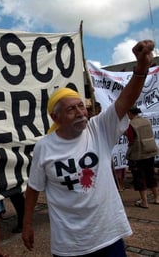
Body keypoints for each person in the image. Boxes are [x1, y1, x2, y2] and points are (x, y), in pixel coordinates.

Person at [22, 40, 155, 257]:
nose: (80, 112)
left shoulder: (98, 128)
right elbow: (34, 188)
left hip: (108, 236)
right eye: (71, 109)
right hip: (69, 245)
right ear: (55, 117)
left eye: (81, 106)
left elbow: (125, 100)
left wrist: (140, 69)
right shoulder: (44, 147)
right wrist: (27, 223)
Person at [125, 105, 159, 208]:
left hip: (138, 153)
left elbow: (131, 140)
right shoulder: (146, 121)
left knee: (139, 178)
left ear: (130, 113)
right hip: (150, 151)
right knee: (150, 175)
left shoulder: (132, 124)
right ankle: (157, 198)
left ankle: (144, 202)